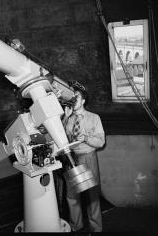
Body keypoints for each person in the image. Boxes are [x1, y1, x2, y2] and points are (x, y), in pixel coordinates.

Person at [62, 80, 105, 232]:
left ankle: (96, 228)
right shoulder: (68, 118)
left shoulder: (94, 118)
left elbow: (101, 142)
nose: (73, 100)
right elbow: (61, 139)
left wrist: (86, 138)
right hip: (72, 158)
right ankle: (76, 226)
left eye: (77, 97)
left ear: (83, 100)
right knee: (72, 196)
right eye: (72, 97)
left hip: (87, 157)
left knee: (92, 196)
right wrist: (65, 118)